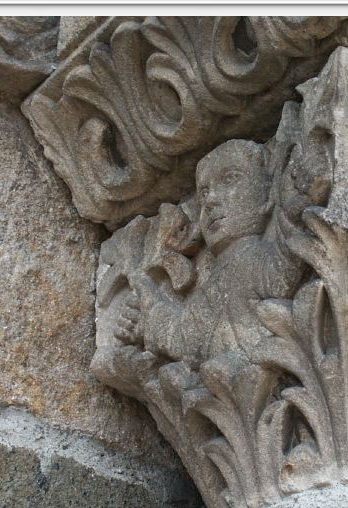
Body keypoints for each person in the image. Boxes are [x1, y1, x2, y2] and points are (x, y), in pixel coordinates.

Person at [116, 139, 307, 367]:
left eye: (230, 179)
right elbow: (184, 339)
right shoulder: (208, 290)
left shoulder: (257, 261)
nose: (211, 201)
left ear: (268, 196)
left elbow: (285, 269)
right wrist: (149, 315)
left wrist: (295, 205)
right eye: (204, 192)